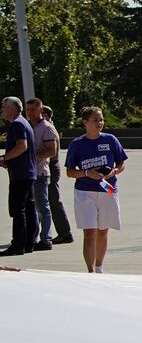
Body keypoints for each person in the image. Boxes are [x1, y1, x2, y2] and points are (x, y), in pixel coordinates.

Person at [63, 106, 127, 273]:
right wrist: (86, 173)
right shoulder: (77, 144)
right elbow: (70, 172)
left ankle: (99, 267)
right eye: (95, 120)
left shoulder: (110, 140)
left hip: (109, 189)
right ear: (85, 123)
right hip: (84, 192)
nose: (99, 123)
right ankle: (90, 271)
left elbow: (121, 164)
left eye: (101, 119)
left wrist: (114, 171)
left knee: (103, 231)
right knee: (89, 232)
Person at [0, 97, 37, 257]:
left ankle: (18, 245)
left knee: (17, 209)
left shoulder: (17, 124)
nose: (1, 109)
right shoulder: (23, 122)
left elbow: (22, 146)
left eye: (4, 106)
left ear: (13, 108)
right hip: (27, 172)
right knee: (28, 208)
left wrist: (5, 158)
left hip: (21, 174)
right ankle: (28, 243)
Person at [24, 98, 58, 250]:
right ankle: (34, 237)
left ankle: (46, 239)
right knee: (34, 208)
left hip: (41, 173)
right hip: (30, 172)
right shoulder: (29, 126)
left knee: (43, 208)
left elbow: (52, 150)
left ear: (41, 110)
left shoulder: (46, 127)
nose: (30, 113)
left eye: (33, 109)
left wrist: (31, 156)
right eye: (28, 110)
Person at [39, 104, 73, 245]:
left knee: (53, 200)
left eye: (42, 114)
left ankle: (65, 233)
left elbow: (51, 152)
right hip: (46, 166)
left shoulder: (48, 129)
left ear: (47, 115)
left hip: (51, 166)